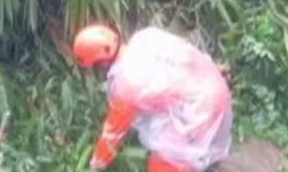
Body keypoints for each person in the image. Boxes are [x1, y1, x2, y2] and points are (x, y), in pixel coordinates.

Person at [73, 24, 234, 172]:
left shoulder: (125, 83)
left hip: (197, 112)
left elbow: (113, 132)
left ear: (100, 64)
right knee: (200, 157)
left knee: (168, 162)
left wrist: (96, 165)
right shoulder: (145, 38)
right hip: (214, 86)